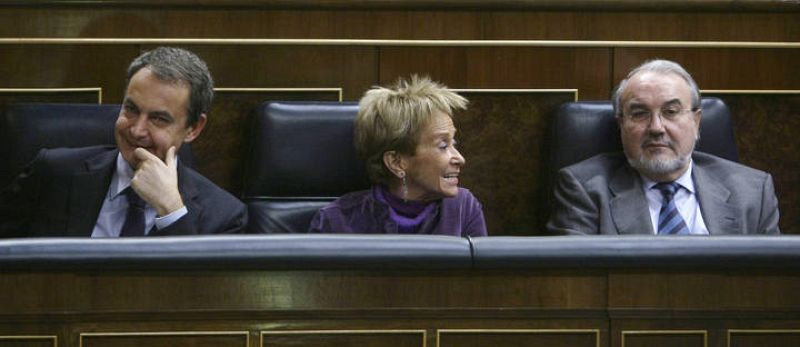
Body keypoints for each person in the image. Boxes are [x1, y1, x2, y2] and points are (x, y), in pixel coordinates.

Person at [0, 47, 247, 237]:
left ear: (193, 129)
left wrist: (171, 210)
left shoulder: (225, 216)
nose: (137, 131)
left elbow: (197, 288)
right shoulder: (54, 173)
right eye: (131, 109)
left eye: (159, 119)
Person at [547, 59, 780, 235]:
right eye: (640, 113)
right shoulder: (585, 190)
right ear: (621, 125)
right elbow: (576, 281)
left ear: (696, 121)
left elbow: (770, 279)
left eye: (671, 112)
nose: (656, 128)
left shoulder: (753, 191)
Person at [309, 76, 487, 236]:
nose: (460, 159)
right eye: (443, 146)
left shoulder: (463, 208)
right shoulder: (335, 222)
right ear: (396, 162)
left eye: (453, 143)